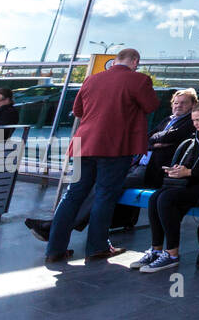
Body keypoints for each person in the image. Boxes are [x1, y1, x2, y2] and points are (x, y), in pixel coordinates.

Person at [24, 89, 198, 241]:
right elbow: (147, 138)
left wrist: (154, 140)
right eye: (176, 102)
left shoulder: (190, 122)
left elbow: (166, 138)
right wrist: (155, 141)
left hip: (152, 173)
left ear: (192, 105)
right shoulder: (167, 120)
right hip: (137, 167)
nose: (178, 106)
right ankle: (57, 225)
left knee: (105, 185)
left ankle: (56, 228)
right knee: (95, 183)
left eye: (183, 103)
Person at [45, 48, 159, 264]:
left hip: (82, 145)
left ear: (115, 61)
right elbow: (151, 105)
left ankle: (54, 250)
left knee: (72, 195)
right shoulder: (139, 80)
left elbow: (77, 111)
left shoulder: (91, 80)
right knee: (105, 195)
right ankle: (97, 247)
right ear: (135, 61)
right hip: (113, 147)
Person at [132, 99, 199, 274]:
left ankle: (172, 253)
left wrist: (189, 173)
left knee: (166, 199)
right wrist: (179, 170)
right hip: (196, 181)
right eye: (193, 120)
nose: (195, 124)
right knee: (155, 198)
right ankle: (156, 249)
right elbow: (194, 160)